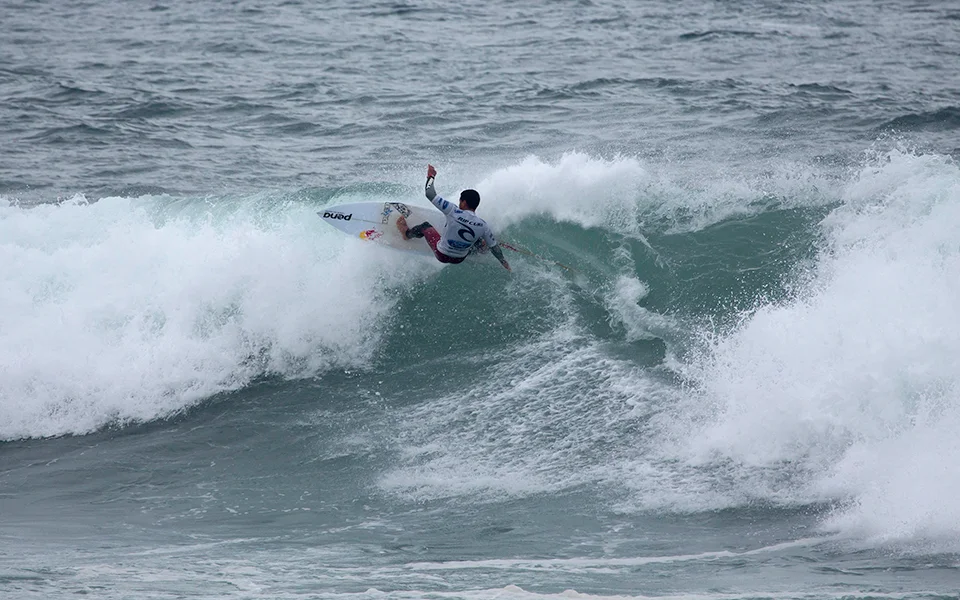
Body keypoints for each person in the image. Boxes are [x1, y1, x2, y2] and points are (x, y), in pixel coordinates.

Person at [396, 164, 511, 271]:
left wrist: (431, 176)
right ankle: (482, 247)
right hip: (459, 259)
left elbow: (429, 194)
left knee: (425, 226)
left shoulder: (453, 211)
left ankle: (406, 234)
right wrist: (503, 261)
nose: (459, 202)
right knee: (479, 240)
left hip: (442, 254)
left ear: (464, 202)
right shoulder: (482, 225)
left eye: (460, 200)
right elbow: (495, 248)